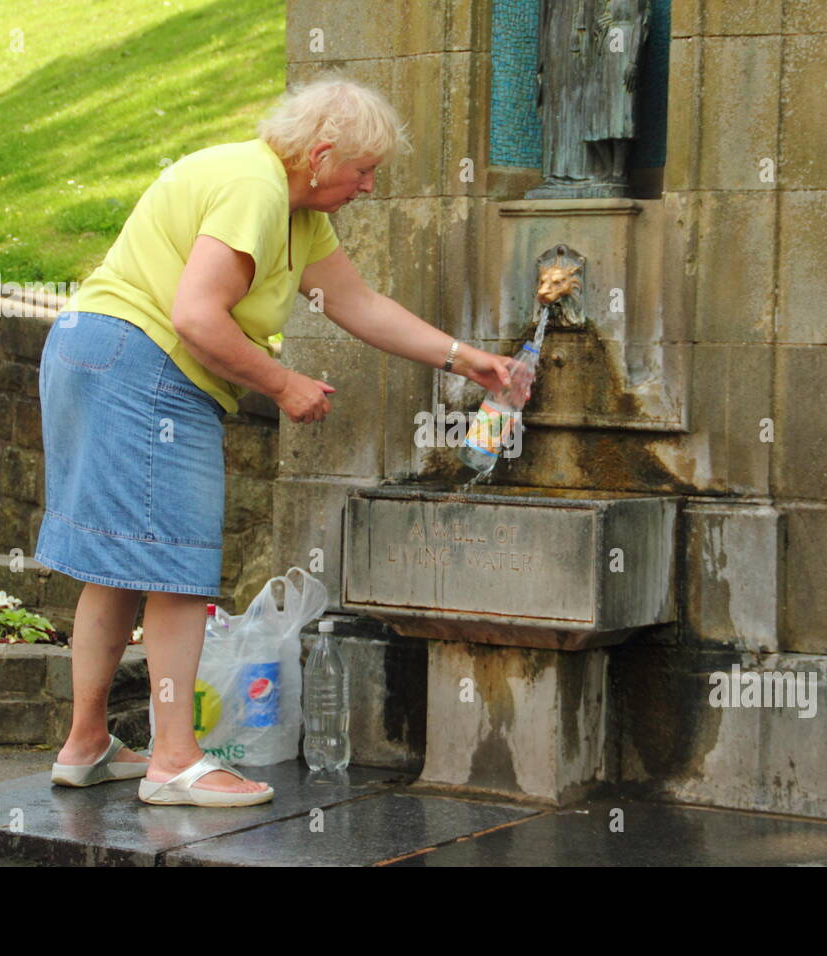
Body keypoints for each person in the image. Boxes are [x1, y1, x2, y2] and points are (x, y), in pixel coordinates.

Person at [36, 73, 516, 807]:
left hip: (93, 350)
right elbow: (196, 315)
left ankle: (86, 744)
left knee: (122, 564)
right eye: (363, 172)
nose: (367, 189)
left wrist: (464, 357)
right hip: (143, 364)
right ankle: (173, 762)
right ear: (321, 155)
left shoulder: (292, 209)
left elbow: (359, 304)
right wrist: (282, 382)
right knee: (172, 567)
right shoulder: (253, 188)